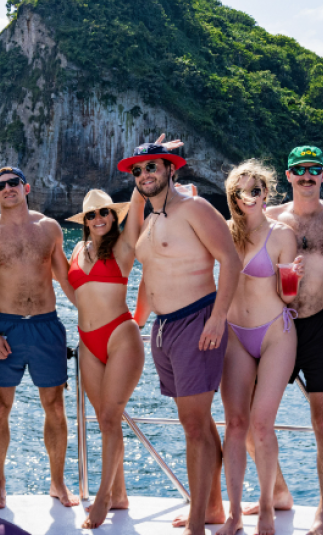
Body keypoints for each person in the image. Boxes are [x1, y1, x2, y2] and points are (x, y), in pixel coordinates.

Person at [118, 140, 240, 535]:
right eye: (137, 171)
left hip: (197, 320)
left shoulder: (195, 208)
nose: (143, 175)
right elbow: (147, 274)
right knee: (199, 424)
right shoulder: (150, 219)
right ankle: (213, 509)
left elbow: (230, 260)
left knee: (192, 426)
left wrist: (218, 318)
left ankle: (196, 523)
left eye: (151, 167)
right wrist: (135, 323)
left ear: (171, 169)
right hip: (164, 328)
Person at [261, 145, 323, 535]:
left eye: (313, 169)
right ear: (287, 176)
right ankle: (278, 491)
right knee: (253, 419)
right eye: (298, 169)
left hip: (322, 326)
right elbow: (220, 236)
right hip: (275, 325)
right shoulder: (267, 218)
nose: (306, 175)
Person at [0, 166, 79, 509]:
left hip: (47, 325)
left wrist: (92, 317)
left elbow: (64, 278)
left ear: (26, 187)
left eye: (13, 183)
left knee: (55, 406)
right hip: (6, 327)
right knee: (0, 407)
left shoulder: (49, 228)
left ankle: (58, 482)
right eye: (0, 186)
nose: (7, 189)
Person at [220, 161, 300, 535]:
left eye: (254, 190)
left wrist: (294, 279)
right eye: (239, 192)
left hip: (274, 333)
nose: (246, 197)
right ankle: (234, 513)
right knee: (235, 425)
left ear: (266, 193)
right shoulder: (223, 234)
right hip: (234, 333)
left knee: (262, 425)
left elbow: (288, 295)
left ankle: (268, 509)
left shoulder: (282, 235)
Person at [64, 189, 145, 529]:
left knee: (111, 419)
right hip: (87, 342)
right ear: (84, 221)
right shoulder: (78, 250)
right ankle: (120, 494)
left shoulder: (124, 246)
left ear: (114, 216)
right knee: (104, 420)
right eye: (91, 215)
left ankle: (103, 498)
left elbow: (139, 205)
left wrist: (147, 165)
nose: (98, 218)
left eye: (104, 213)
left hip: (120, 336)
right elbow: (74, 291)